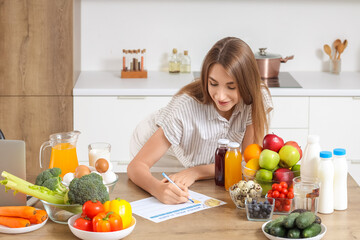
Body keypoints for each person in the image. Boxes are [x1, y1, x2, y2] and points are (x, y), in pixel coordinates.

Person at [127, 37, 273, 204]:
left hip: (200, 162)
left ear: (247, 84)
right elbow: (136, 167)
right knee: (169, 197)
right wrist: (158, 189)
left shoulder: (256, 98)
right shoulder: (184, 107)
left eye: (231, 87)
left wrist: (196, 172)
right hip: (164, 151)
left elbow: (247, 165)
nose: (220, 96)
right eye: (213, 83)